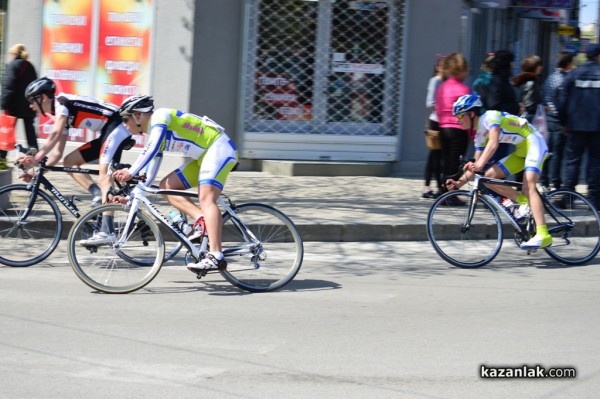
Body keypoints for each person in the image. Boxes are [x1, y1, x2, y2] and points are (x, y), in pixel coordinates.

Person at [112, 99, 239, 273]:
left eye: (126, 120)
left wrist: (130, 172)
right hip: (203, 156)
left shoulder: (159, 117)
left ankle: (216, 255)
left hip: (218, 148)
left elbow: (151, 149)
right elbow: (150, 172)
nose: (125, 126)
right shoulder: (155, 133)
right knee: (167, 185)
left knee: (206, 197)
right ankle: (203, 221)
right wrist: (131, 196)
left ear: (138, 115)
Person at [446, 94, 552, 250]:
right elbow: (476, 165)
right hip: (521, 151)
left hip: (534, 141)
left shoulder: (490, 117)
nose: (457, 119)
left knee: (528, 185)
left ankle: (543, 234)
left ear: (472, 113)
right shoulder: (479, 136)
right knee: (487, 178)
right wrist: (459, 182)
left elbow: (494, 143)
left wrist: (479, 164)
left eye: (460, 115)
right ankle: (523, 202)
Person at [17, 77, 125, 206]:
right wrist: (37, 174)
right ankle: (97, 194)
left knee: (106, 174)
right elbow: (57, 154)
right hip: (108, 130)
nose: (30, 106)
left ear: (43, 98)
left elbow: (55, 133)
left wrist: (37, 158)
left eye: (32, 101)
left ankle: (108, 221)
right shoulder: (63, 114)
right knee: (69, 162)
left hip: (117, 123)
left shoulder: (62, 103)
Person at [559, 44, 600, 210]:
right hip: (597, 127)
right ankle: (595, 199)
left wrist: (564, 122)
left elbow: (562, 100)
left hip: (575, 126)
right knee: (596, 162)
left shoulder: (574, 74)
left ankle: (568, 196)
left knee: (572, 161)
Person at [435, 52, 471, 204]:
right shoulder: (463, 89)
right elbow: (468, 111)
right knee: (455, 163)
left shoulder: (442, 87)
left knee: (447, 160)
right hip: (458, 128)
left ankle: (444, 191)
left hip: (443, 127)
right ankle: (450, 195)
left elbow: (437, 108)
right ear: (461, 70)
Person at [0, 44, 38, 170]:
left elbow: (8, 85)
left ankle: (1, 158)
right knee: (30, 132)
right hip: (28, 105)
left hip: (14, 106)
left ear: (15, 54)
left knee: (6, 133)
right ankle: (35, 156)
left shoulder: (12, 65)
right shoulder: (30, 66)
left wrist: (4, 103)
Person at [541, 51, 574, 191]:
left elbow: (545, 98)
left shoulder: (550, 78)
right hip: (558, 120)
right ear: (567, 64)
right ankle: (555, 183)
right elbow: (563, 103)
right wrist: (565, 122)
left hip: (548, 118)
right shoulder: (564, 80)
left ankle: (544, 180)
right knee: (557, 153)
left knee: (548, 151)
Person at [480, 50, 520, 164]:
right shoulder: (497, 81)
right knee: (495, 161)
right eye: (512, 62)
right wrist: (516, 107)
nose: (513, 65)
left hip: (503, 128)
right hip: (497, 128)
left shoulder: (502, 79)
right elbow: (495, 105)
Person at [421, 55, 445, 199]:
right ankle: (426, 187)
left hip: (443, 122)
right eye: (444, 66)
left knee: (439, 157)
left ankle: (438, 187)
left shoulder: (445, 81)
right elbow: (430, 103)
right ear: (438, 67)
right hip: (435, 121)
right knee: (434, 156)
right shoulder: (435, 81)